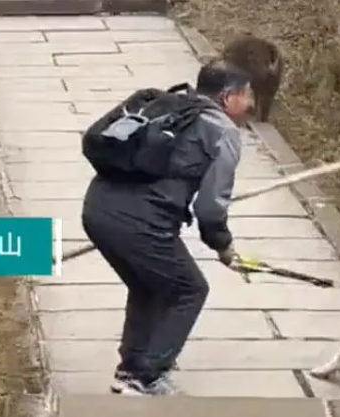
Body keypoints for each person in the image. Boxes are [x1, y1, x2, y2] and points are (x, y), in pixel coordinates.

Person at [81, 58, 254, 396]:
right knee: (190, 290)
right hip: (140, 224)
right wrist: (223, 247)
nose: (250, 104)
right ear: (227, 96)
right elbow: (210, 207)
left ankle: (131, 368)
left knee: (149, 285)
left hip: (97, 211)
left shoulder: (169, 104)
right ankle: (146, 376)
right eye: (247, 95)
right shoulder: (223, 132)